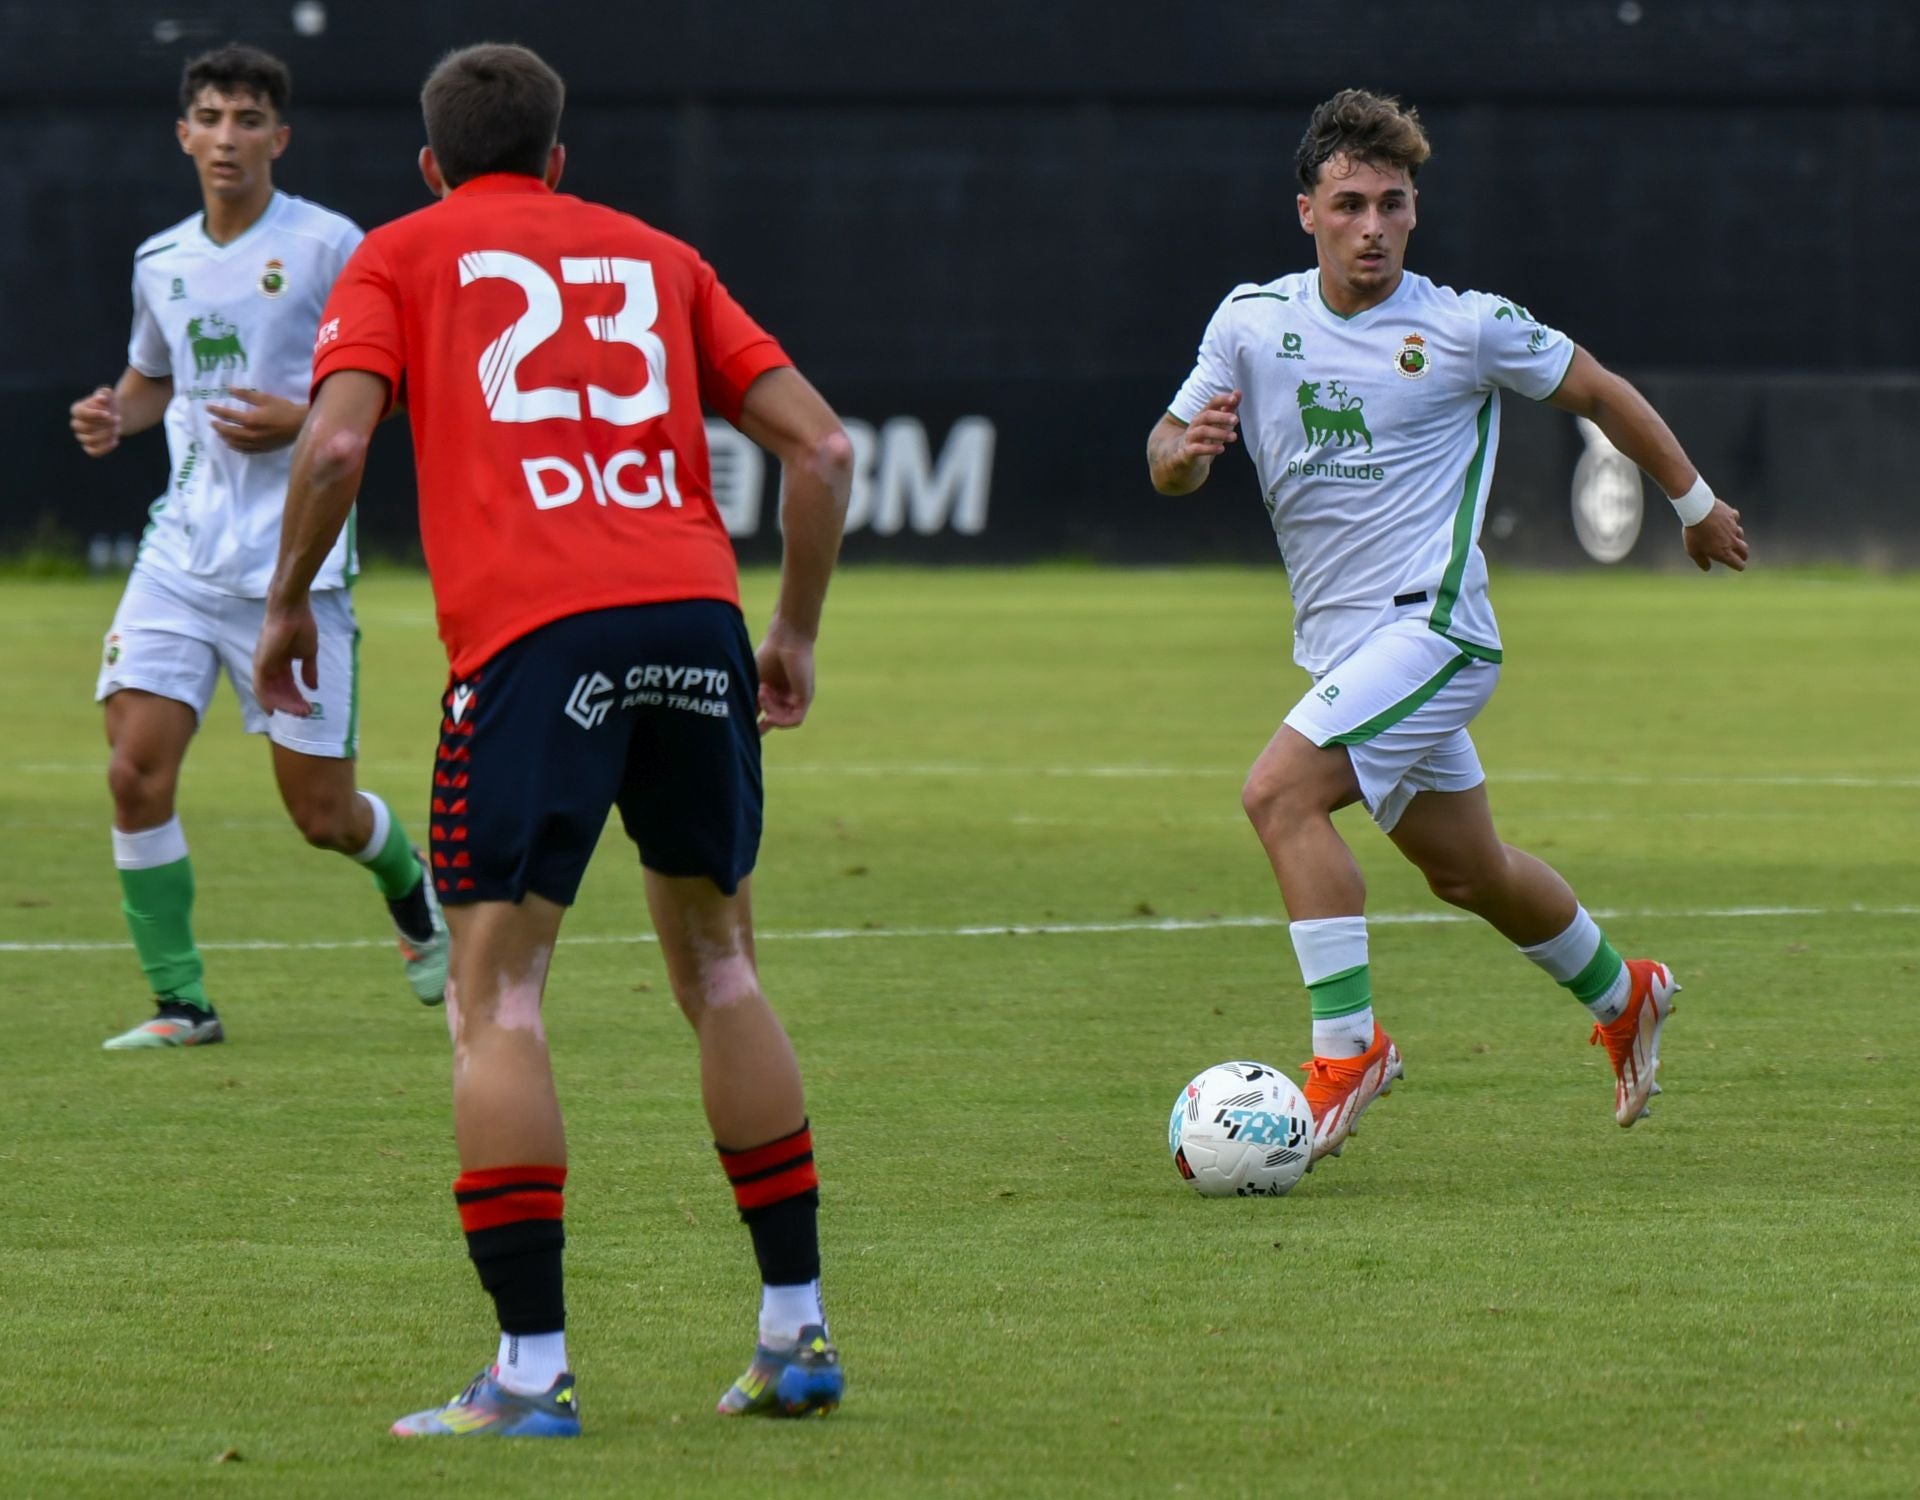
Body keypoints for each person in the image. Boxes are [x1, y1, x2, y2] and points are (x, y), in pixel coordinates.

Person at [253, 43, 854, 1437]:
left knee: (498, 999)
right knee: (721, 966)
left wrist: (286, 602)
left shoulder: (401, 254)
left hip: (538, 641)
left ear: (431, 164)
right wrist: (796, 632)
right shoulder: (659, 255)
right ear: (560, 158)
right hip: (696, 621)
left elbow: (334, 450)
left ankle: (529, 1372)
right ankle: (796, 1331)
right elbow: (819, 452)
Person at [1146, 88, 1748, 1165]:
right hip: (1345, 647)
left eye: (1392, 203)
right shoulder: (1251, 321)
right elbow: (1167, 446)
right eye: (1349, 204)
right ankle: (1625, 993)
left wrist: (1695, 507)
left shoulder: (1466, 327)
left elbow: (1602, 391)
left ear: (1414, 211)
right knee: (1467, 871)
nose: (1372, 226)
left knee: (1279, 795)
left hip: (1435, 634)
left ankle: (1349, 1051)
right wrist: (1183, 456)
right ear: (1307, 212)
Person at [69, 44, 448, 1051]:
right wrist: (119, 412)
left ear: (279, 137)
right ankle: (181, 1001)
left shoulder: (332, 246)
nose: (226, 136)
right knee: (133, 772)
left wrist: (307, 417)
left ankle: (410, 888)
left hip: (298, 565)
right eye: (210, 117)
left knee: (321, 816)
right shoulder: (163, 260)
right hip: (180, 557)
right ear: (183, 134)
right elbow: (154, 376)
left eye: (246, 119)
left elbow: (402, 376)